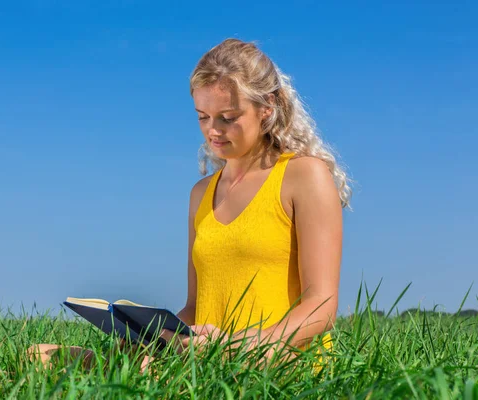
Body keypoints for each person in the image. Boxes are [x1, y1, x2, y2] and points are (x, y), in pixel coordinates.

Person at [29, 38, 350, 373]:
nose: (213, 130)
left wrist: (247, 344)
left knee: (129, 373)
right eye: (203, 117)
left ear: (266, 108)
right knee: (40, 354)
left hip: (278, 357)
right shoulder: (201, 193)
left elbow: (321, 305)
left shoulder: (303, 176)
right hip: (205, 358)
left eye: (228, 117)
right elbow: (196, 307)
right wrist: (150, 336)